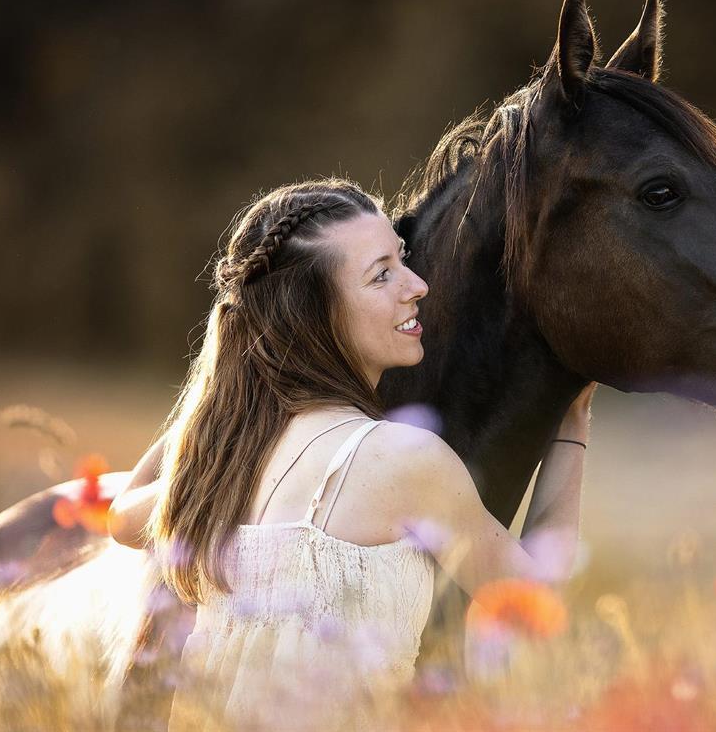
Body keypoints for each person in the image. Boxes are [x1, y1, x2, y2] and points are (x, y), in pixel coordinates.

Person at [106, 178, 593, 731]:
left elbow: (121, 517)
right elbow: (537, 607)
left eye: (402, 260)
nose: (417, 286)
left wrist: (224, 388)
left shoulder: (229, 465)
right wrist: (573, 423)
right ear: (312, 314)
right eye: (380, 274)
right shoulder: (405, 461)